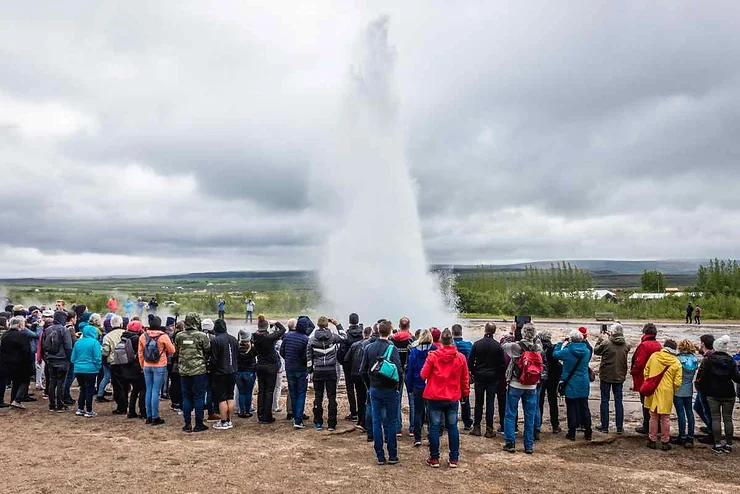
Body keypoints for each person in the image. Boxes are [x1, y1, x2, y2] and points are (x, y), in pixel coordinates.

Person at [421, 328, 469, 468]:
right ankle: (454, 458)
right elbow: (464, 379)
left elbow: (423, 375)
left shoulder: (433, 356)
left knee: (434, 428)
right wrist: (464, 394)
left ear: (441, 341)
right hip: (452, 396)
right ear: (452, 340)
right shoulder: (460, 358)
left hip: (435, 396)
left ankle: (434, 458)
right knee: (453, 427)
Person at [360, 320, 402, 465]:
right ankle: (392, 455)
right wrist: (398, 387)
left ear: (378, 331)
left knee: (376, 421)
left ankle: (379, 455)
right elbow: (399, 371)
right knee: (391, 422)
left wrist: (369, 384)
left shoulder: (369, 348)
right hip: (390, 390)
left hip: (375, 389)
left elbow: (362, 371)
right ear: (390, 331)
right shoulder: (392, 348)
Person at [502, 323, 543, 453]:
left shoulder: (516, 346)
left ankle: (510, 443)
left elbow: (503, 345)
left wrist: (511, 332)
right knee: (529, 416)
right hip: (532, 385)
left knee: (510, 414)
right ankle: (528, 446)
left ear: (522, 333)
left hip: (516, 383)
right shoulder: (538, 348)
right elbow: (539, 343)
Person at [696, 335, 740, 454]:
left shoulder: (708, 361)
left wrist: (701, 388)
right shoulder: (731, 361)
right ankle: (729, 444)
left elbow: (703, 377)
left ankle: (717, 444)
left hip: (713, 393)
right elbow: (737, 378)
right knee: (728, 419)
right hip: (728, 393)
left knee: (715, 418)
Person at [306, 316, 346, 431]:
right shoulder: (333, 337)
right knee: (332, 397)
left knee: (318, 396)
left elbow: (309, 357)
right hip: (331, 370)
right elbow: (345, 337)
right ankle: (331, 424)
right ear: (327, 325)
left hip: (318, 371)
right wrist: (338, 324)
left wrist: (310, 371)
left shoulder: (312, 340)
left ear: (318, 325)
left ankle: (318, 422)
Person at [554, 329, 593, 441]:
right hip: (583, 382)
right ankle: (588, 431)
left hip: (570, 382)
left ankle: (572, 432)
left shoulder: (567, 351)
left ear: (571, 339)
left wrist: (560, 343)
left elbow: (555, 354)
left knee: (571, 407)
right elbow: (586, 345)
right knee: (584, 407)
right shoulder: (586, 351)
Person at [643, 339, 682, 451]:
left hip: (653, 390)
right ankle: (665, 441)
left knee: (653, 416)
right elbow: (677, 382)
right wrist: (672, 390)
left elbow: (646, 371)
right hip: (667, 392)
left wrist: (649, 381)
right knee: (665, 418)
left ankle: (652, 440)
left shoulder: (655, 356)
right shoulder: (676, 362)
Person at [468, 322, 506, 438]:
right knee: (490, 403)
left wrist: (474, 372)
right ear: (494, 331)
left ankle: (477, 427)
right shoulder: (497, 346)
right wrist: (498, 375)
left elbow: (470, 361)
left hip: (480, 376)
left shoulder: (477, 344)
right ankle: (489, 429)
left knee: (478, 402)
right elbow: (502, 364)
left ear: (485, 330)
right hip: (493, 377)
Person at [175, 313, 212, 432]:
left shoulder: (179, 336)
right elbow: (208, 350)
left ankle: (187, 424)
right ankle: (199, 424)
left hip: (184, 371)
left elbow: (177, 350)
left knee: (186, 397)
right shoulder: (202, 336)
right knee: (199, 397)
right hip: (199, 371)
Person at [593, 323, 631, 434]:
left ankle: (605, 426)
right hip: (619, 376)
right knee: (619, 401)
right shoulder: (626, 345)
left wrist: (600, 339)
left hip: (606, 375)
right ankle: (619, 427)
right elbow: (620, 344)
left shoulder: (606, 343)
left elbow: (596, 351)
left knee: (604, 400)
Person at [139, 315, 175, 425]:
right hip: (160, 365)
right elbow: (172, 350)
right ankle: (155, 416)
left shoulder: (143, 336)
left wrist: (142, 365)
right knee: (156, 391)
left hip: (146, 365)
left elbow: (140, 353)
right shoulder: (163, 336)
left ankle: (149, 416)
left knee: (148, 390)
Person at [252, 315, 286, 424]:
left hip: (260, 365)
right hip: (270, 366)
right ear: (266, 327)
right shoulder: (268, 337)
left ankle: (260, 415)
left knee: (261, 391)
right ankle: (267, 416)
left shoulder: (254, 337)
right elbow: (283, 330)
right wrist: (276, 323)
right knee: (269, 391)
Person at [405, 329, 436, 446]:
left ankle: (417, 437)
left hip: (418, 385)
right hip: (431, 385)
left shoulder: (414, 352)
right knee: (431, 412)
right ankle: (431, 437)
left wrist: (409, 387)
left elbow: (410, 370)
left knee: (418, 412)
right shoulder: (434, 351)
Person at [630, 323, 662, 434]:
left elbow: (639, 362)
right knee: (655, 403)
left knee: (645, 403)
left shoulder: (644, 345)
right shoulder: (658, 345)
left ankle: (647, 425)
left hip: (645, 379)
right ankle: (656, 425)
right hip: (656, 379)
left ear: (644, 332)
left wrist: (633, 371)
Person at [280, 317, 310, 429]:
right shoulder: (305, 339)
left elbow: (282, 351)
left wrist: (288, 359)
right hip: (301, 369)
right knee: (301, 393)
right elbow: (306, 356)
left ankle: (294, 416)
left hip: (289, 368)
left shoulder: (287, 337)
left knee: (293, 393)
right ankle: (298, 420)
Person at [210, 319, 238, 430]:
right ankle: (229, 420)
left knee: (221, 398)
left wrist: (211, 369)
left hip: (220, 372)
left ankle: (223, 421)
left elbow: (214, 359)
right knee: (230, 395)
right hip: (233, 371)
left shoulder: (216, 341)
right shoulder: (233, 339)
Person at [43, 310, 74, 412]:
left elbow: (44, 345)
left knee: (52, 381)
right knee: (61, 383)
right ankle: (60, 405)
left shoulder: (48, 329)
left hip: (51, 359)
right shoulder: (64, 330)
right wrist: (70, 359)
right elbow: (68, 346)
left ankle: (52, 405)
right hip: (62, 360)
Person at [71, 322, 103, 417]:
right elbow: (97, 357)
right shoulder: (95, 342)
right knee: (90, 389)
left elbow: (73, 358)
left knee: (83, 389)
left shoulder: (78, 342)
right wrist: (98, 367)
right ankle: (89, 410)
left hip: (78, 369)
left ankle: (80, 409)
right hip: (91, 370)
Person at [0, 316, 32, 409]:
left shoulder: (5, 334)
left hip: (5, 362)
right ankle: (16, 400)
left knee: (9, 382)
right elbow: (26, 351)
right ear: (20, 325)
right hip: (19, 363)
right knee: (21, 381)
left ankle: (7, 401)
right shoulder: (22, 335)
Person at [390, 317, 414, 436]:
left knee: (397, 399)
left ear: (399, 326)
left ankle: (398, 428)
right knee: (412, 400)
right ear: (408, 326)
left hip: (396, 372)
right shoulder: (412, 340)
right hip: (409, 372)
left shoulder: (392, 340)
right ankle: (413, 428)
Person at [337, 313, 364, 422]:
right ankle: (361, 413)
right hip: (360, 363)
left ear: (349, 321)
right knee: (361, 389)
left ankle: (353, 413)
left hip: (348, 364)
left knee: (350, 388)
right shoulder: (362, 333)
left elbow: (342, 349)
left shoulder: (347, 335)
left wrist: (341, 361)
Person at [673, 339, 699, 447]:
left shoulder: (677, 359)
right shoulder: (694, 360)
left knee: (680, 413)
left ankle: (682, 436)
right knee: (690, 413)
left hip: (678, 389)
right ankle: (690, 437)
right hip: (689, 388)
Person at [346, 326, 372, 433]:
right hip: (364, 374)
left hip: (355, 374)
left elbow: (346, 358)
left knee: (360, 396)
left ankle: (360, 420)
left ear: (363, 334)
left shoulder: (355, 345)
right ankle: (364, 422)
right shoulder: (370, 345)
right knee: (367, 398)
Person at [119, 320, 146, 419]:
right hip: (137, 369)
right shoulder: (137, 339)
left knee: (135, 390)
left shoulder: (123, 337)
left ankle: (131, 411)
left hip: (126, 368)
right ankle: (143, 411)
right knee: (143, 389)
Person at [101, 315, 126, 414]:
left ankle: (121, 407)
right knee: (125, 385)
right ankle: (126, 404)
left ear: (111, 325)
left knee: (117, 386)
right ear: (121, 324)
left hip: (114, 363)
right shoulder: (126, 334)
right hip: (127, 363)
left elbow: (105, 351)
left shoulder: (108, 336)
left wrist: (104, 360)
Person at [451, 323, 473, 432]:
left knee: (452, 399)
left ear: (452, 333)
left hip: (452, 376)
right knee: (465, 399)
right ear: (461, 332)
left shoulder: (451, 346)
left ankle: (451, 421)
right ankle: (467, 422)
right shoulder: (468, 345)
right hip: (465, 375)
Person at [694, 334, 715, 442]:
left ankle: (712, 432)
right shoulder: (712, 353)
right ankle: (710, 427)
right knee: (698, 407)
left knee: (707, 410)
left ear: (703, 343)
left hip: (704, 388)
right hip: (704, 388)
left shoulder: (708, 358)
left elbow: (703, 375)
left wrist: (697, 384)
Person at [236, 330, 257, 418]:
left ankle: (241, 411)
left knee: (241, 393)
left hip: (238, 373)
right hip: (249, 373)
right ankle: (248, 411)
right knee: (248, 393)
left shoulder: (236, 347)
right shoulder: (252, 349)